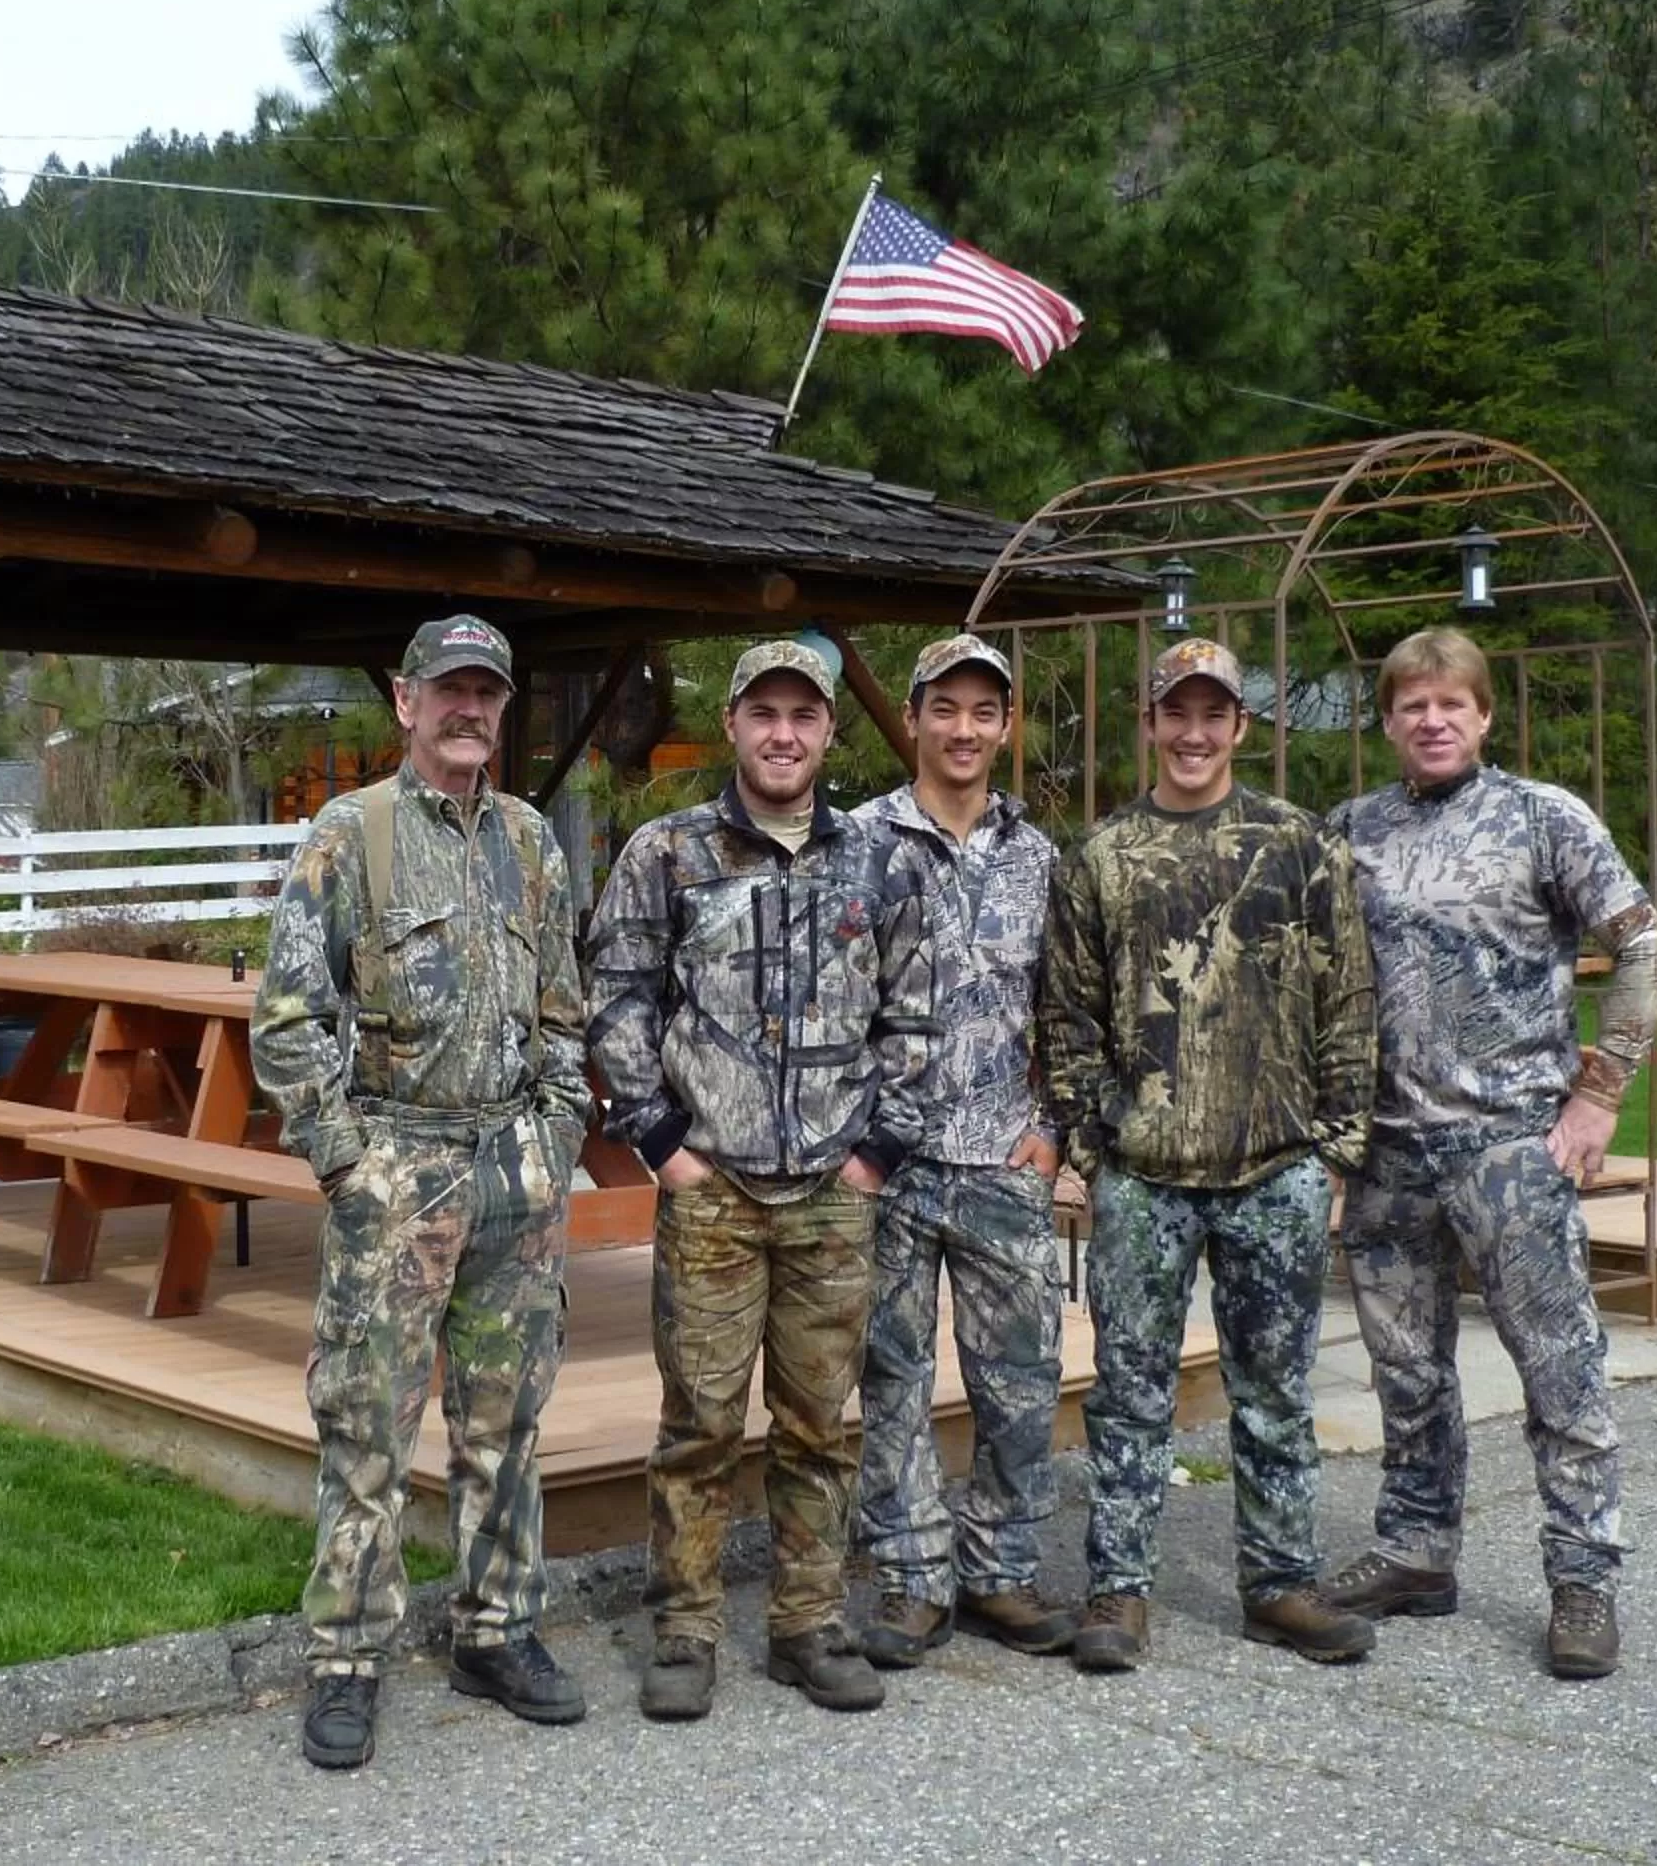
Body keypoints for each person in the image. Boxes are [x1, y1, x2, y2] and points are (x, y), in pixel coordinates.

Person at [252, 613, 593, 1770]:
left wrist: (558, 1134)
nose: (469, 710)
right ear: (405, 701)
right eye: (448, 689)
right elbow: (290, 1018)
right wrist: (347, 1163)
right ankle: (346, 1655)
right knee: (368, 1424)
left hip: (515, 1170)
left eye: (486, 693)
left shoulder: (531, 839)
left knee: (506, 1420)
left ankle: (495, 1630)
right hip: (399, 1165)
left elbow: (563, 1008)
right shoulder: (351, 837)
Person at [583, 639, 934, 1721]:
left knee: (819, 1421)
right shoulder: (669, 852)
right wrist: (662, 1141)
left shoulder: (877, 861)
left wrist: (877, 1153)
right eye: (764, 712)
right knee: (698, 1419)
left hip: (834, 1188)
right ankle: (685, 1626)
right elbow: (618, 995)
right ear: (733, 723)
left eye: (805, 715)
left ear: (831, 732)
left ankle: (807, 1621)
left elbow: (915, 1017)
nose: (784, 733)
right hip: (715, 1188)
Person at [1320, 626, 1657, 1682]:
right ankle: (1417, 1550)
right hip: (1388, 1152)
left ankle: (1583, 1576)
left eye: (1453, 704)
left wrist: (1600, 1093)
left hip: (1512, 1144)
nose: (1433, 720)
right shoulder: (1352, 831)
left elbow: (1645, 948)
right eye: (1412, 705)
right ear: (1386, 720)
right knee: (1407, 1370)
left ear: (1482, 716)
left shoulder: (1541, 818)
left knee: (1559, 1367)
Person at [1037, 637, 1380, 1672]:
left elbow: (1350, 998)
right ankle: (1119, 1588)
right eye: (1174, 712)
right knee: (1128, 1390)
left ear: (1240, 726)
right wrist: (1098, 1140)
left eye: (1213, 714)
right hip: (1143, 1175)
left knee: (1274, 1389)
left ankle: (1281, 1582)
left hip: (1273, 1167)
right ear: (1149, 723)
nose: (1193, 732)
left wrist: (1336, 1149)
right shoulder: (1099, 857)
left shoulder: (1301, 844)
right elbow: (1068, 1015)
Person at [846, 633, 1074, 1670]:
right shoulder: (858, 844)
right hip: (889, 1164)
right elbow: (825, 1002)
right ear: (916, 715)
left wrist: (1053, 1132)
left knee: (1021, 1381)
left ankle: (1000, 1569)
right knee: (889, 1376)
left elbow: (1070, 1008)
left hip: (1002, 1163)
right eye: (948, 708)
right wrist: (850, 1141)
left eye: (987, 710)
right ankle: (909, 1575)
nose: (967, 728)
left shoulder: (1039, 857)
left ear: (1006, 725)